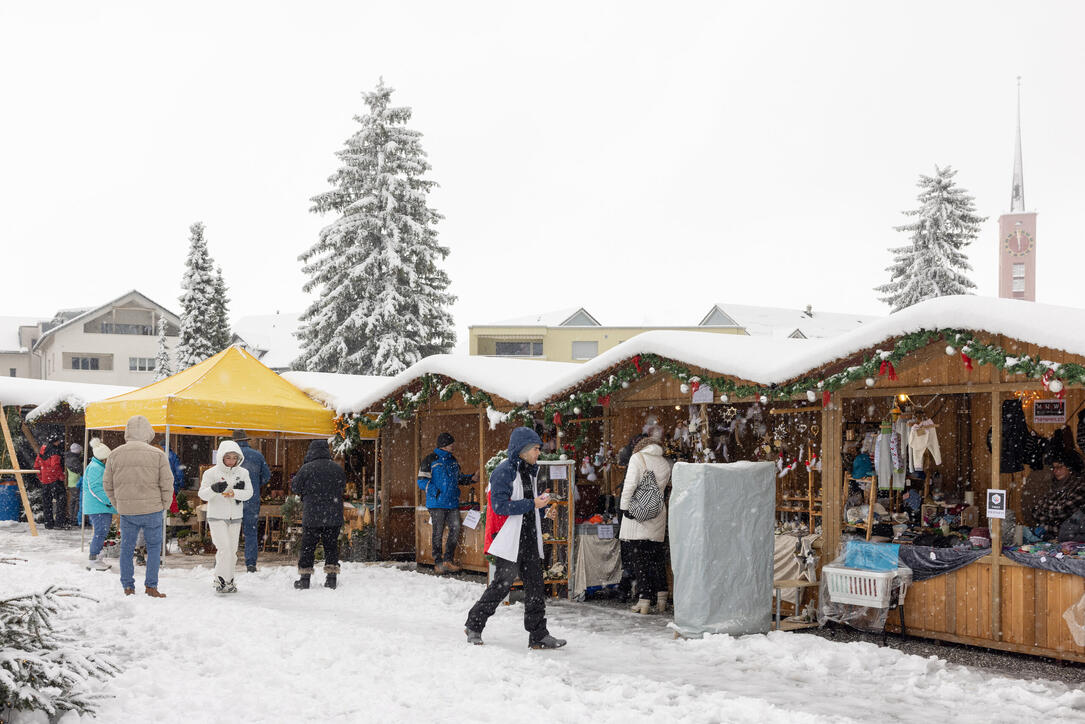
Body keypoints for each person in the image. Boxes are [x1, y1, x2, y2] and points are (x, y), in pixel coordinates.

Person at [464, 426, 566, 649]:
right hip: (509, 538)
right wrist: (533, 504)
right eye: (536, 449)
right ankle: (474, 624)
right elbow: (499, 506)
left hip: (528, 536)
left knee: (536, 586)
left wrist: (542, 510)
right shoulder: (503, 472)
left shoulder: (530, 470)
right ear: (523, 449)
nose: (539, 452)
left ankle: (538, 634)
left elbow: (527, 502)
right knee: (502, 585)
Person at [103, 415, 173, 597]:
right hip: (153, 509)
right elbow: (167, 482)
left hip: (127, 511)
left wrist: (118, 503)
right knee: (154, 548)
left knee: (127, 549)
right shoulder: (158, 454)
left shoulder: (115, 454)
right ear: (148, 433)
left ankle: (128, 586)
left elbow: (107, 484)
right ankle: (151, 586)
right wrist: (165, 503)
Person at [619, 432, 673, 615]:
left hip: (638, 513)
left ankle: (644, 600)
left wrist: (625, 507)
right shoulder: (665, 462)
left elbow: (630, 485)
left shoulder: (638, 458)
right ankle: (662, 598)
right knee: (656, 558)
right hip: (657, 512)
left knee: (639, 559)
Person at [199, 439, 253, 593]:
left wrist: (236, 493)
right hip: (217, 516)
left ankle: (228, 580)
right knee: (224, 549)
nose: (231, 461)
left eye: (234, 458)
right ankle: (220, 580)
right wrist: (214, 489)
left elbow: (249, 493)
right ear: (221, 457)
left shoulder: (243, 473)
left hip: (235, 517)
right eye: (228, 457)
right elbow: (202, 493)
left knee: (232, 551)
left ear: (239, 458)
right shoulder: (211, 473)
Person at [417, 432, 476, 574]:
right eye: (451, 444)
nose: (453, 446)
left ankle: (448, 560)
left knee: (455, 529)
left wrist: (472, 478)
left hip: (452, 503)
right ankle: (438, 562)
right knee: (438, 532)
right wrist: (435, 492)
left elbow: (459, 479)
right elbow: (421, 480)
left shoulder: (453, 460)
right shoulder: (430, 459)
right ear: (444, 445)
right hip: (436, 504)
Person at [290, 439, 346, 590]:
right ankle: (332, 578)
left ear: (311, 451)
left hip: (312, 516)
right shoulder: (337, 469)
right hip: (333, 515)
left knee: (308, 547)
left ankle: (305, 579)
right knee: (331, 546)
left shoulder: (306, 468)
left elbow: (295, 487)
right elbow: (343, 487)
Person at [231, 430, 271, 572]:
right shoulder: (257, 455)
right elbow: (267, 476)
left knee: (229, 531)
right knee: (251, 532)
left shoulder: (229, 457)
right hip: (251, 499)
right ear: (246, 440)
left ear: (234, 442)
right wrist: (254, 485)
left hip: (232, 499)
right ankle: (251, 563)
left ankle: (227, 560)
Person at [1032, 448, 1085, 534]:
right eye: (1053, 467)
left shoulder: (1081, 486)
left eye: (1060, 466)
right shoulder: (1056, 485)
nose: (1055, 470)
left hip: (1073, 536)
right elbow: (1035, 512)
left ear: (1071, 467)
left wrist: (1044, 512)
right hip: (1056, 533)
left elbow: (1062, 511)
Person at [82, 438, 116, 571]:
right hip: (98, 506)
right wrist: (109, 500)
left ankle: (97, 558)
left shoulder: (98, 466)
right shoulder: (96, 468)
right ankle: (94, 559)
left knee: (102, 531)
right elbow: (96, 488)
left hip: (100, 506)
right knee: (100, 532)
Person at [34, 433, 67, 529]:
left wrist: (42, 477)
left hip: (45, 482)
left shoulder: (41, 452)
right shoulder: (55, 451)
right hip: (55, 480)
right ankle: (59, 523)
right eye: (58, 441)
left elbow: (36, 466)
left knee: (47, 502)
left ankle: (48, 523)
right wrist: (61, 477)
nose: (59, 443)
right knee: (62, 500)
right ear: (55, 442)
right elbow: (55, 466)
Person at [64, 443, 84, 526]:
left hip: (71, 482)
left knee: (73, 501)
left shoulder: (69, 457)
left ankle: (72, 517)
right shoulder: (74, 459)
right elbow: (79, 469)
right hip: (76, 482)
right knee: (77, 501)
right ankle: (74, 519)